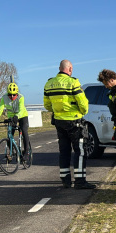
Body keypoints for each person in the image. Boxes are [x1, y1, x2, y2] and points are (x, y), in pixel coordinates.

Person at [43, 60, 95, 189]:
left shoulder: (49, 84)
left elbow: (47, 105)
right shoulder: (73, 82)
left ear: (59, 68)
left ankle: (65, 180)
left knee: (64, 151)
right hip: (74, 122)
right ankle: (80, 181)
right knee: (80, 151)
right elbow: (82, 102)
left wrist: (58, 111)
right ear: (70, 69)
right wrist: (82, 112)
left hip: (59, 121)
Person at [0, 83, 30, 161]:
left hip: (22, 116)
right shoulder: (4, 98)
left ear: (17, 94)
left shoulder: (21, 97)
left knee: (24, 131)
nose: (11, 96)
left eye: (14, 95)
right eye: (10, 95)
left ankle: (26, 152)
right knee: (10, 135)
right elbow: (0, 109)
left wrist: (17, 116)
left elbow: (21, 110)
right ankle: (12, 152)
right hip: (11, 117)